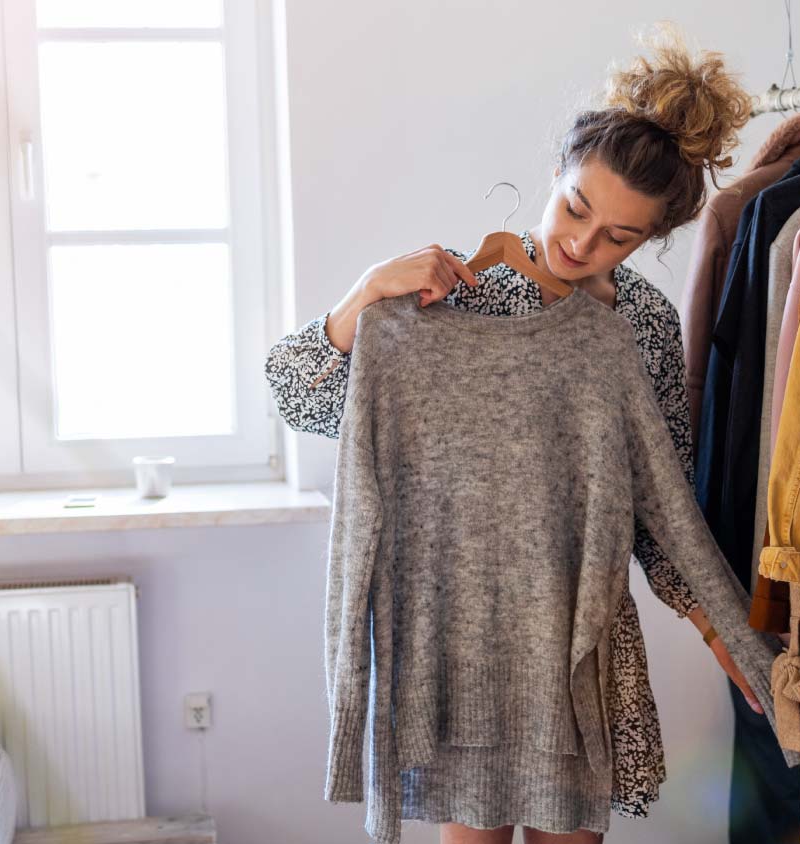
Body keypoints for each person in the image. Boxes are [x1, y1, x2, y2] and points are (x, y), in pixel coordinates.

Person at [266, 25, 759, 844]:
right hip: (463, 633)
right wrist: (362, 298)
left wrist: (727, 634)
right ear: (554, 175)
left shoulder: (642, 324)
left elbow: (659, 507)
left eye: (619, 237)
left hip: (579, 636)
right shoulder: (443, 296)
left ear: (653, 241)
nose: (581, 243)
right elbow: (299, 395)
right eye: (576, 208)